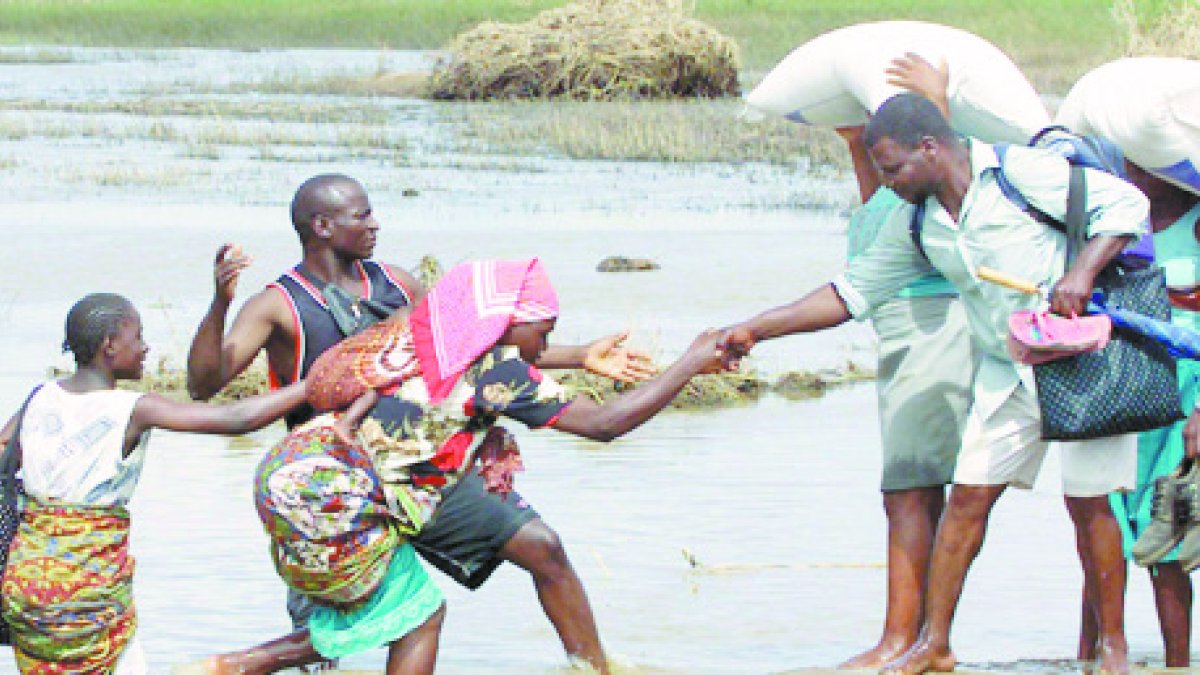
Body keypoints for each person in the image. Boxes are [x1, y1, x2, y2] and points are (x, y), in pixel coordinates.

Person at [721, 92, 1149, 674]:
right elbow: (853, 292)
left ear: (930, 147)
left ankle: (1113, 652)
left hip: (1083, 358)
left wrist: (1080, 272)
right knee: (969, 496)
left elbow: (1126, 204)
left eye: (893, 169)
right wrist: (756, 328)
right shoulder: (917, 219)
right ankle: (935, 645)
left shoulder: (1019, 175)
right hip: (1009, 370)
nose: (888, 183)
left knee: (1091, 504)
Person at [186, 174, 655, 673]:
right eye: (362, 215)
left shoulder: (396, 283)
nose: (375, 223)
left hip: (421, 469)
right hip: (339, 487)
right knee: (329, 638)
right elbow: (204, 385)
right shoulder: (278, 304)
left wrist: (580, 356)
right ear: (321, 226)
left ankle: (594, 668)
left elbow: (468, 349)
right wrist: (220, 302)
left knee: (543, 548)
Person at [0, 293, 309, 674]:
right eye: (138, 336)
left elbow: (4, 448)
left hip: (26, 583)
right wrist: (311, 386)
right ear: (109, 345)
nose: (146, 348)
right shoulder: (132, 408)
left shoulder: (39, 398)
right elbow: (236, 419)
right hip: (86, 588)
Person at [834, 53, 977, 669]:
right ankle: (915, 637)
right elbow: (883, 206)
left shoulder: (923, 180)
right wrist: (853, 143)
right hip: (898, 330)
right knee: (908, 490)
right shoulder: (885, 194)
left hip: (931, 323)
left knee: (910, 488)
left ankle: (904, 640)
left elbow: (940, 163)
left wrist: (938, 99)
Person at [1080, 164, 1200, 668]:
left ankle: (1177, 663)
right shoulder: (1108, 220)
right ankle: (1094, 657)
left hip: (1182, 395)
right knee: (1101, 529)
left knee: (1167, 534)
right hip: (1117, 388)